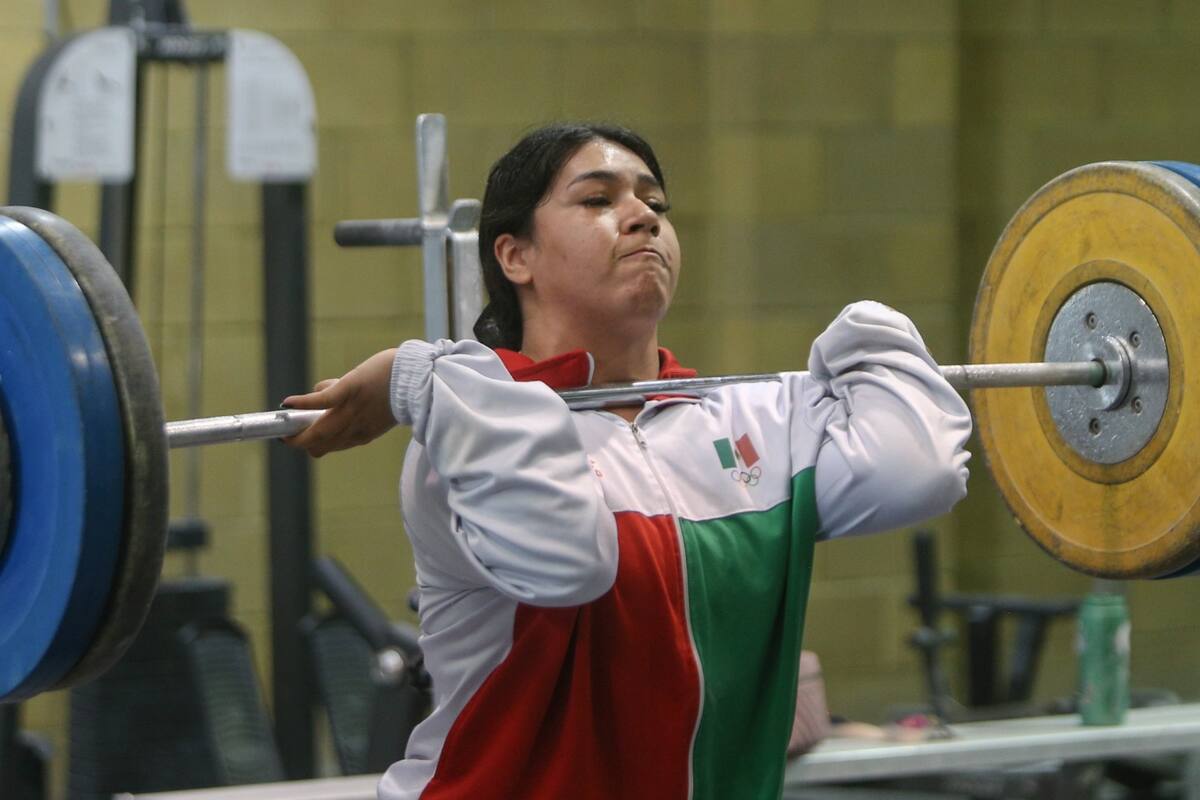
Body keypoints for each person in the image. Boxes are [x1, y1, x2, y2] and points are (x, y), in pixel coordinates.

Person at [283, 123, 972, 800]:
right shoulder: (471, 433)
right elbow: (567, 562)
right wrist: (425, 378)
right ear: (515, 256)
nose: (642, 215)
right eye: (598, 199)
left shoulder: (750, 417)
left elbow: (921, 471)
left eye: (656, 204)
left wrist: (864, 332)